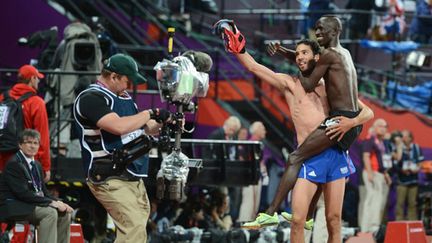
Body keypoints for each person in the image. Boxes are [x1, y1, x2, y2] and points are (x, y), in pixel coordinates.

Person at [216, 20, 373, 242]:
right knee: (298, 221)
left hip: (335, 153)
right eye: (297, 53)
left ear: (316, 57)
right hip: (308, 157)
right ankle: (270, 213)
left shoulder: (330, 84)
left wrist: (349, 123)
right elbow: (253, 66)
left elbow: (367, 113)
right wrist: (237, 44)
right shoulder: (289, 84)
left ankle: (272, 213)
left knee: (334, 219)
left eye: (304, 53)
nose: (299, 57)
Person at [73, 53, 172, 242]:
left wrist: (165, 123)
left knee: (138, 227)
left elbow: (145, 127)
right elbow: (118, 126)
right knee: (133, 227)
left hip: (131, 172)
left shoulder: (124, 97)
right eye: (127, 81)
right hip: (108, 173)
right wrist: (151, 112)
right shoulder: (91, 98)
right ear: (113, 77)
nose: (129, 86)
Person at [0, 129, 72, 243]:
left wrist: (59, 202)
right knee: (50, 213)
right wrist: (50, 203)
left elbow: (44, 192)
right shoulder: (13, 164)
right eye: (28, 142)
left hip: (30, 203)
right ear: (20, 145)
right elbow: (22, 194)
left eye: (35, 143)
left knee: (64, 213)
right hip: (15, 205)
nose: (32, 146)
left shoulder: (37, 164)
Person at [0, 65, 51, 182]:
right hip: (26, 161)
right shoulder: (37, 102)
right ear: (32, 79)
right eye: (37, 78)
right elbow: (42, 138)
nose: (38, 81)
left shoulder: (3, 98)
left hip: (3, 158)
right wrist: (45, 166)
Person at [358, 118, 392, 233]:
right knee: (372, 199)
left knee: (377, 200)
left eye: (385, 127)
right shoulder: (370, 139)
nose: (384, 129)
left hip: (379, 173)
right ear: (375, 127)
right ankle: (369, 226)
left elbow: (382, 161)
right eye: (382, 126)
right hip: (372, 172)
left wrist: (386, 174)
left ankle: (372, 225)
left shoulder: (381, 142)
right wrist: (369, 172)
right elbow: (366, 156)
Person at [238, 121, 268, 222]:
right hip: (249, 178)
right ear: (257, 131)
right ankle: (244, 225)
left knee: (255, 205)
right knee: (248, 202)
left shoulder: (259, 145)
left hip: (256, 177)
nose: (265, 131)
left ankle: (250, 226)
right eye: (263, 129)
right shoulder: (249, 144)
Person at [395, 129, 424, 220]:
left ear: (410, 138)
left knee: (412, 203)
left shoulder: (416, 147)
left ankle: (412, 224)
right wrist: (401, 170)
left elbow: (420, 162)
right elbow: (395, 163)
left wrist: (417, 169)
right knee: (400, 203)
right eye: (402, 136)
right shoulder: (398, 148)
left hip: (413, 180)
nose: (403, 138)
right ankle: (398, 224)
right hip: (402, 180)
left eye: (405, 136)